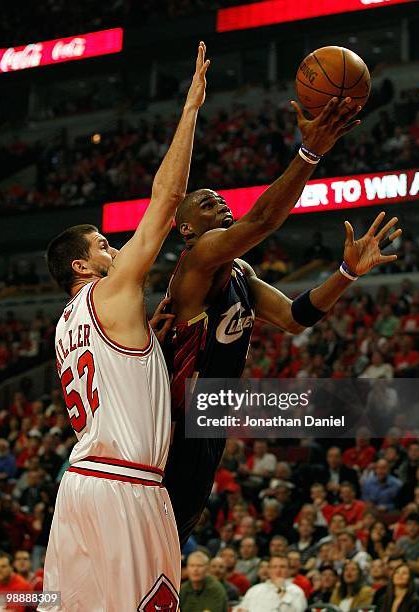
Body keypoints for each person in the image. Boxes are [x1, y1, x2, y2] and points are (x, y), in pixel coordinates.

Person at [164, 94, 402, 546]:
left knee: (172, 541)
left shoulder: (239, 273)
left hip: (210, 420)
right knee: (157, 542)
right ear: (187, 229)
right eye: (207, 203)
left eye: (221, 201)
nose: (220, 204)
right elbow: (259, 222)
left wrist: (347, 273)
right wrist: (309, 153)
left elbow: (295, 318)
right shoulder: (197, 260)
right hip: (179, 420)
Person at [40, 43, 210, 611]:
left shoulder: (66, 323)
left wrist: (151, 343)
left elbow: (116, 375)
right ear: (81, 267)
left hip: (79, 486)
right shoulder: (109, 291)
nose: (114, 251)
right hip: (125, 487)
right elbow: (165, 203)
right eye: (103, 246)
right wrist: (189, 112)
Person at [233, 554, 307, 612]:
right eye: (274, 567)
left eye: (282, 567)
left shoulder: (296, 591)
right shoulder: (255, 590)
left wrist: (281, 590)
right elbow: (240, 608)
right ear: (269, 570)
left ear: (288, 570)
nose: (278, 570)